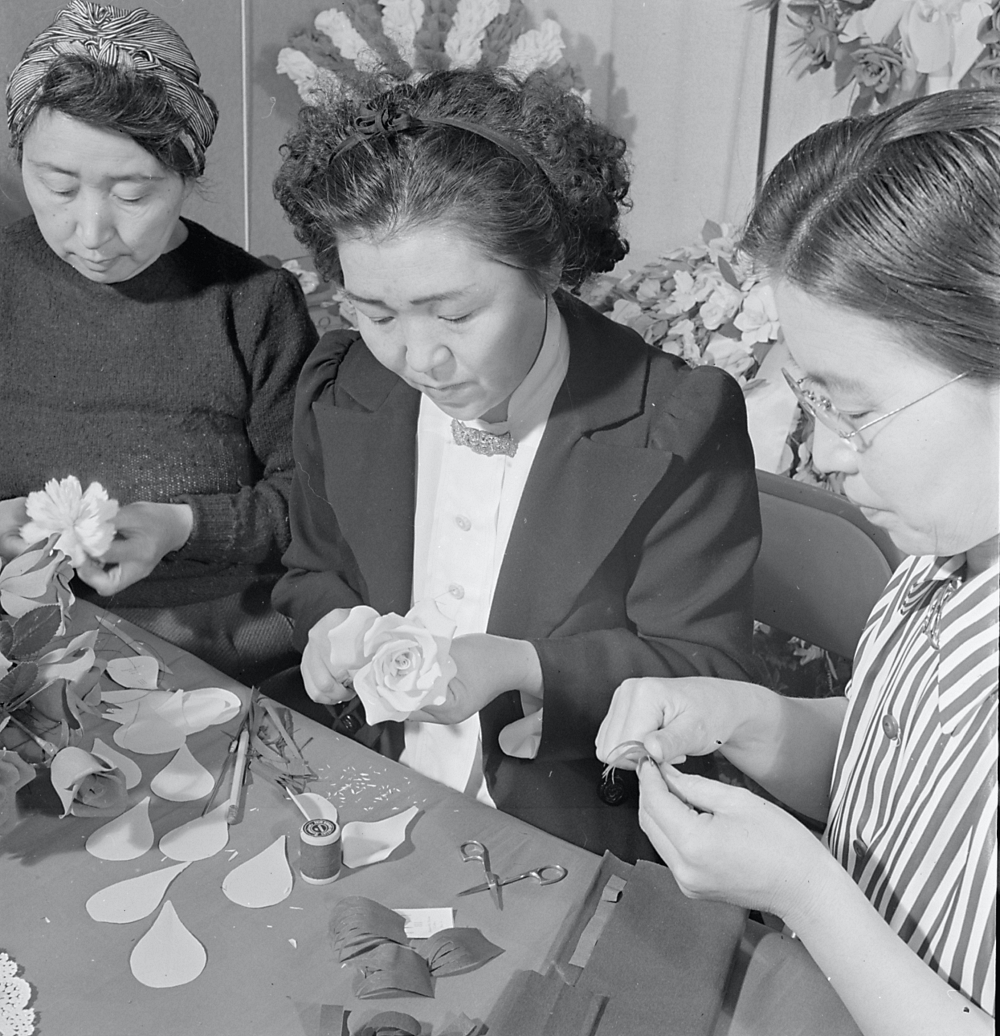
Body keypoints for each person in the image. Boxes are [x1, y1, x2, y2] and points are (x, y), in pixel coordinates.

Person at [269, 68, 761, 863]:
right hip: (368, 786)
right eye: (376, 313)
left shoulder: (674, 422)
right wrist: (332, 629)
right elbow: (309, 569)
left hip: (567, 833)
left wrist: (528, 667)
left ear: (549, 268)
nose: (417, 358)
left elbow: (707, 669)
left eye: (456, 313)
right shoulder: (341, 386)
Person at [597, 88, 998, 1030]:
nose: (823, 453)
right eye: (811, 403)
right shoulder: (943, 553)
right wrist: (740, 718)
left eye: (856, 410)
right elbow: (895, 775)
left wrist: (808, 892)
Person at [0, 1, 318, 688]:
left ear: (185, 177)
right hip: (24, 641)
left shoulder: (253, 301)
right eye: (56, 185)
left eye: (133, 193)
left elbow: (311, 501)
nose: (90, 232)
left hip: (223, 648)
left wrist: (180, 526)